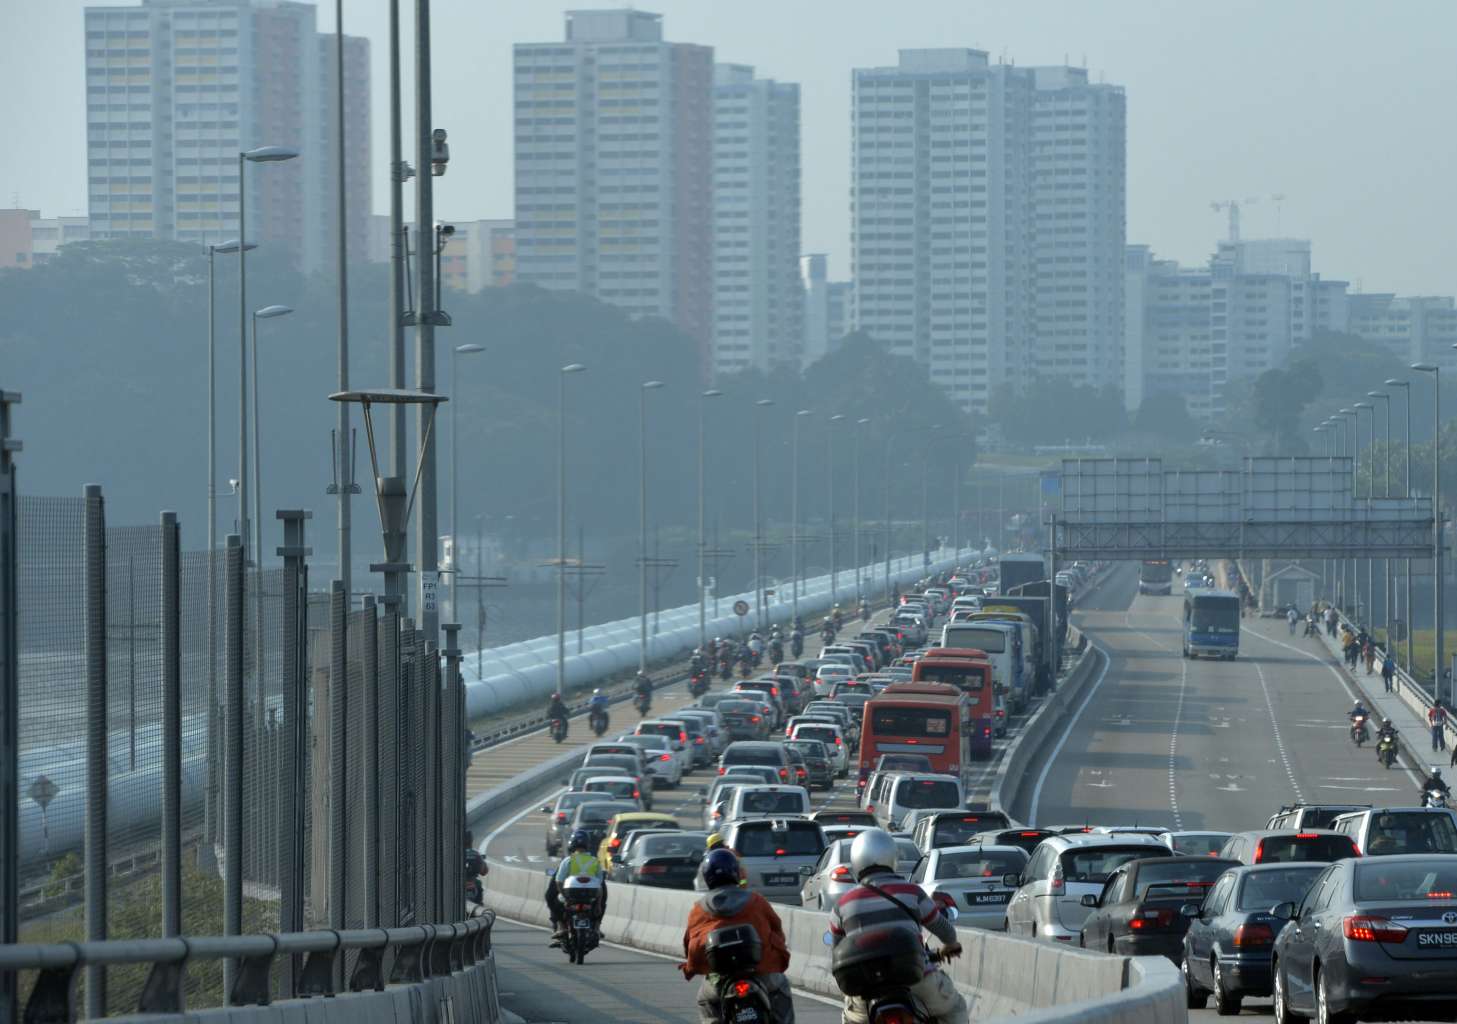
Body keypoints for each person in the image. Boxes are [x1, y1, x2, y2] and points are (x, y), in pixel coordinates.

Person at [829, 829, 967, 1024]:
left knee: (850, 1019)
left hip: (866, 992)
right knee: (956, 1008)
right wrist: (950, 945)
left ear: (857, 860)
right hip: (917, 980)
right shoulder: (912, 892)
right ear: (892, 857)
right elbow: (945, 930)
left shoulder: (842, 905)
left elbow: (837, 954)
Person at [680, 848, 794, 1024]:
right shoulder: (755, 900)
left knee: (705, 999)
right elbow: (776, 929)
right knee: (782, 986)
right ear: (735, 872)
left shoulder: (699, 909)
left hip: (719, 979)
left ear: (707, 877)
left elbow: (690, 946)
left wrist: (691, 966)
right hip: (761, 972)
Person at [547, 829, 607, 944]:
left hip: (570, 897)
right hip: (590, 896)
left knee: (552, 899)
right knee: (603, 898)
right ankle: (597, 927)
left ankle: (561, 926)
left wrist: (566, 897)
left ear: (572, 844)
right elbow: (599, 885)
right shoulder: (595, 861)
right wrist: (599, 903)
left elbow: (559, 881)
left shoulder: (568, 861)